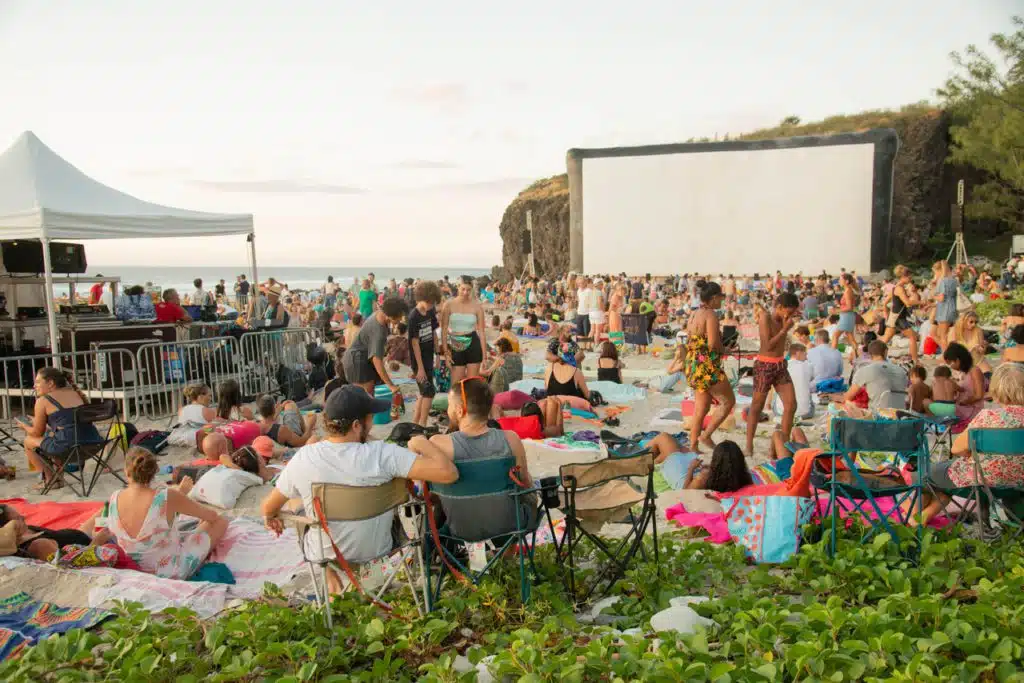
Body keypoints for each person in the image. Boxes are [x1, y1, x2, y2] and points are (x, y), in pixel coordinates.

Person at [261, 385, 457, 594]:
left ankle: (334, 585)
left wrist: (270, 517)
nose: (371, 425)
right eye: (370, 419)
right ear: (356, 425)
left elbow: (268, 508)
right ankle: (369, 583)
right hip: (377, 551)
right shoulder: (384, 454)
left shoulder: (305, 457)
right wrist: (423, 443)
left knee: (299, 506)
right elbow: (448, 473)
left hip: (328, 554)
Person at [430, 378, 537, 540]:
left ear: (459, 410)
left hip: (461, 532)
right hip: (510, 528)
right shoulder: (511, 439)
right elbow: (525, 483)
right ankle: (506, 552)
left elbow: (429, 494)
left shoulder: (438, 443)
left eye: (450, 405)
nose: (447, 409)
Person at [95, 447, 228, 580]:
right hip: (170, 572)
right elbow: (211, 516)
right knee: (220, 521)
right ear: (154, 471)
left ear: (126, 471)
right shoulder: (166, 496)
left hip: (132, 569)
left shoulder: (115, 497)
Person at [919, 363, 1024, 526]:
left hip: (981, 482)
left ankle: (917, 520)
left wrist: (972, 454)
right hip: (1018, 484)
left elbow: (956, 449)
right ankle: (997, 524)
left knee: (926, 473)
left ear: (997, 390)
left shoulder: (987, 417)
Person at [20, 368, 100, 492]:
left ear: (51, 383)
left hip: (68, 448)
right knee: (53, 434)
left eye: (38, 382)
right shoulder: (75, 394)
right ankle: (58, 478)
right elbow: (69, 422)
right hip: (92, 444)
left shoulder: (43, 401)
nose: (34, 386)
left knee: (28, 441)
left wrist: (24, 426)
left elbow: (37, 433)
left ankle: (49, 480)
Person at [684, 281, 736, 452]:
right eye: (720, 298)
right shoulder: (711, 315)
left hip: (694, 364)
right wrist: (725, 349)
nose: (721, 301)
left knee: (701, 408)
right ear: (713, 298)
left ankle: (693, 445)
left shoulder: (694, 313)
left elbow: (692, 339)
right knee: (728, 402)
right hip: (707, 365)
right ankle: (706, 436)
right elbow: (713, 344)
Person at [746, 293, 799, 457]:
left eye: (793, 313)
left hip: (780, 365)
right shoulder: (765, 318)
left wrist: (785, 328)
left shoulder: (784, 320)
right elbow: (767, 345)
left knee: (791, 405)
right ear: (780, 307)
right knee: (757, 406)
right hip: (765, 365)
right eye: (789, 312)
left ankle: (783, 444)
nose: (790, 316)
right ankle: (749, 445)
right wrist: (784, 329)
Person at [342, 296, 408, 395]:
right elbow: (377, 361)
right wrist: (391, 386)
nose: (401, 320)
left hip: (361, 358)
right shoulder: (379, 332)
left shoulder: (379, 313)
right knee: (366, 398)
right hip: (357, 361)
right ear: (390, 316)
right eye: (400, 317)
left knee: (367, 396)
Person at [0, 503, 93, 561]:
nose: (24, 517)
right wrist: (97, 541)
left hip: (84, 535)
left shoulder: (27, 530)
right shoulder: (38, 545)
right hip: (91, 549)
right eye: (18, 518)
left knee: (101, 511)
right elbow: (66, 563)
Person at [439, 276, 487, 387]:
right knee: (455, 385)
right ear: (458, 287)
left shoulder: (477, 306)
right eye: (463, 289)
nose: (465, 292)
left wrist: (484, 356)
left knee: (472, 385)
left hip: (473, 343)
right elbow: (444, 330)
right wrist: (446, 353)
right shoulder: (448, 305)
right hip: (456, 343)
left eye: (468, 290)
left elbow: (482, 332)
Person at [841, 340, 909, 412]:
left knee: (845, 405)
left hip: (878, 415)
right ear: (886, 352)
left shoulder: (865, 370)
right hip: (901, 414)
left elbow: (848, 397)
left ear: (870, 354)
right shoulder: (901, 371)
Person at [409, 281, 441, 427]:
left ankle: (415, 423)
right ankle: (422, 424)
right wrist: (420, 368)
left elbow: (434, 333)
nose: (431, 305)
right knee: (428, 391)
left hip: (429, 356)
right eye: (429, 302)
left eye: (433, 303)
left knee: (423, 392)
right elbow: (414, 343)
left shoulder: (430, 311)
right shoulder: (413, 316)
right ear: (421, 298)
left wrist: (438, 354)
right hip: (418, 360)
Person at [879, 265, 921, 365]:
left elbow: (885, 302)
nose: (910, 278)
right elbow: (908, 303)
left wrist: (886, 313)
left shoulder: (896, 287)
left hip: (894, 317)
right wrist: (922, 302)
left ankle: (873, 354)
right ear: (903, 276)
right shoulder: (899, 289)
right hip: (899, 318)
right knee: (913, 337)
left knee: (885, 339)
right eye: (909, 276)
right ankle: (915, 361)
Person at [683, 440, 754, 493]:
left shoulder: (705, 476)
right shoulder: (744, 476)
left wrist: (691, 468)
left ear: (716, 459)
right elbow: (728, 467)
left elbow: (685, 492)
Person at [943, 341, 986, 426]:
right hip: (964, 407)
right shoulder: (963, 373)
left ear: (958, 360)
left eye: (950, 363)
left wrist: (964, 402)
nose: (950, 366)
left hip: (972, 409)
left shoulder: (974, 371)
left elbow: (979, 395)